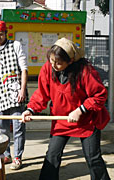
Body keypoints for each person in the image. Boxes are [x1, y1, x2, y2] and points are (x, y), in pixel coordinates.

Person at [21, 38, 110, 179]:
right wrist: (30, 109)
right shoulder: (48, 68)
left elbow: (99, 94)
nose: (54, 65)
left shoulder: (85, 71)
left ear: (70, 61)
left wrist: (80, 110)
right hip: (61, 120)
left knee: (93, 157)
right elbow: (41, 94)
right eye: (51, 60)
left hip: (86, 120)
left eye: (58, 63)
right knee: (52, 155)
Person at [0, 20, 28, 170]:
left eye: (1, 34)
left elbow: (23, 69)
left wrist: (23, 90)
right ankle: (7, 154)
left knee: (18, 127)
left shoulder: (15, 45)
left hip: (16, 93)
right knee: (3, 129)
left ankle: (18, 156)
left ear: (6, 34)